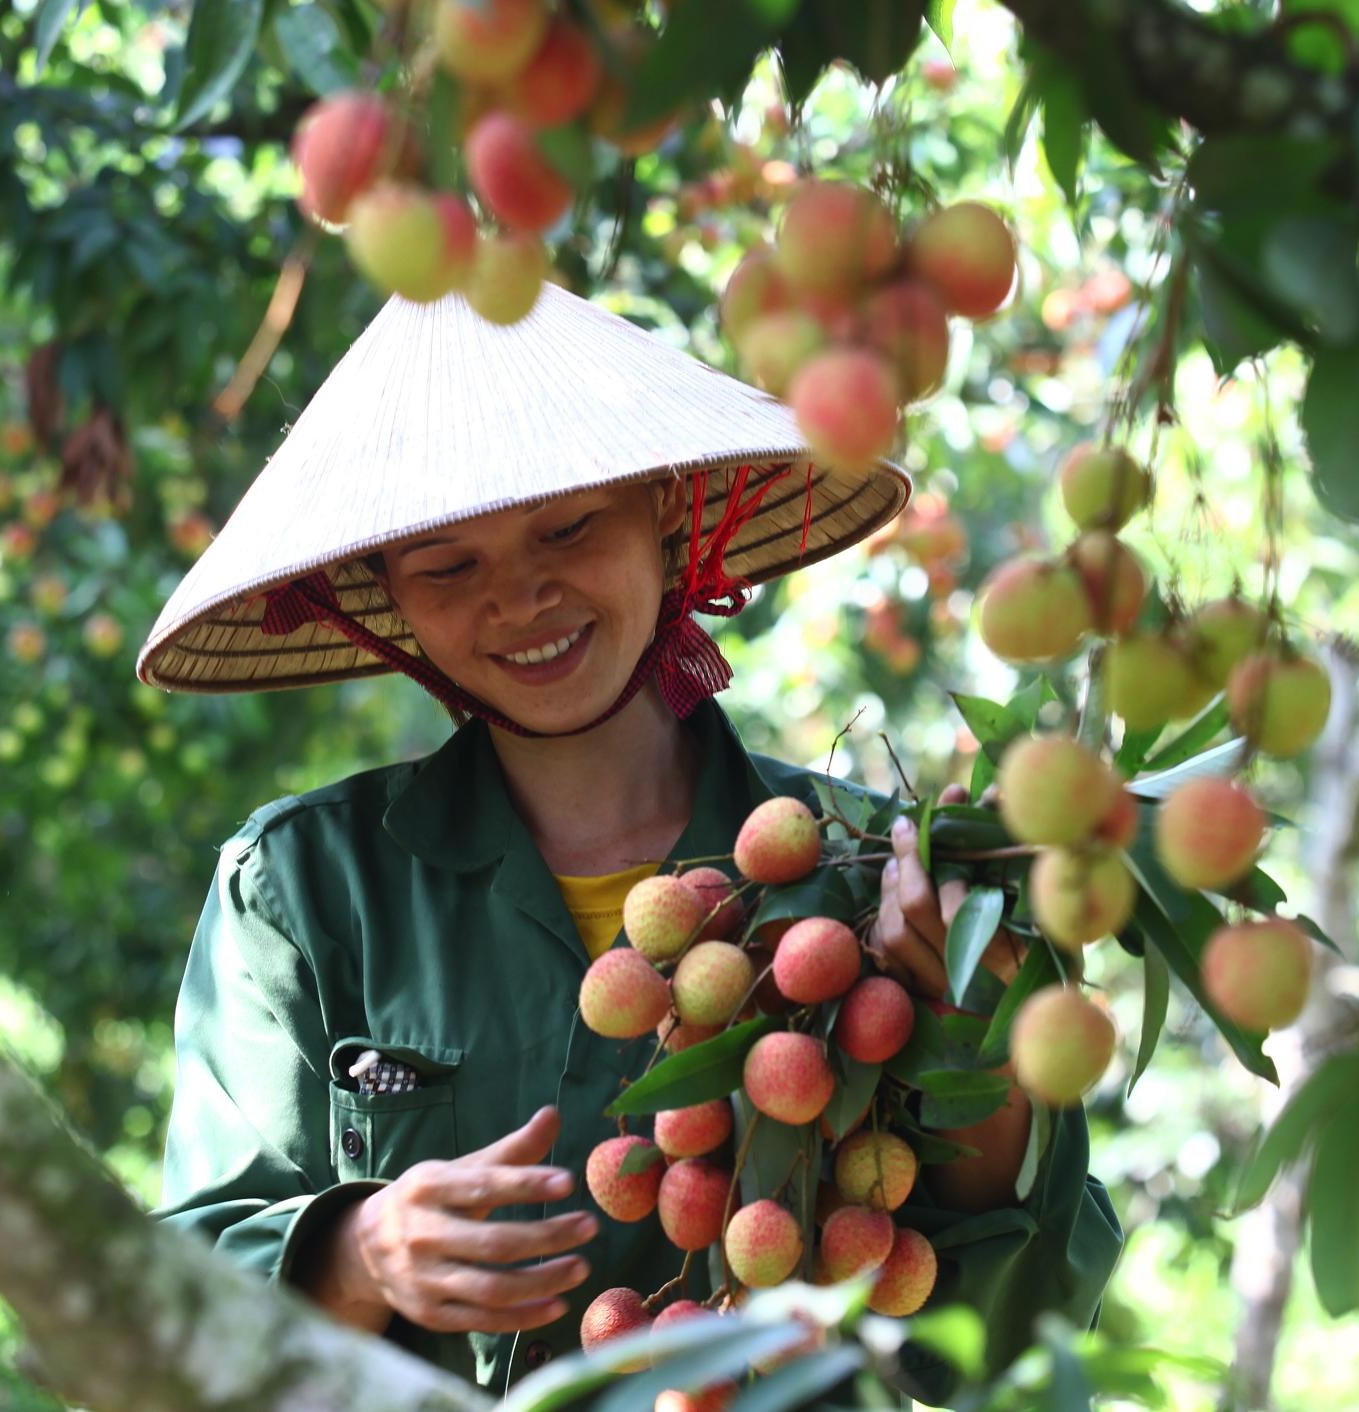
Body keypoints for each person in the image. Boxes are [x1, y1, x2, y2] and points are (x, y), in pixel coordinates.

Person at [139, 283, 1122, 1401]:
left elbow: (1010, 1340)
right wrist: (360, 1249)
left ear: (667, 518)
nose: (521, 594)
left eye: (568, 525)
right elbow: (170, 1299)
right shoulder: (302, 890)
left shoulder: (869, 882)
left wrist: (971, 1036)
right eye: (448, 564)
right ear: (388, 600)